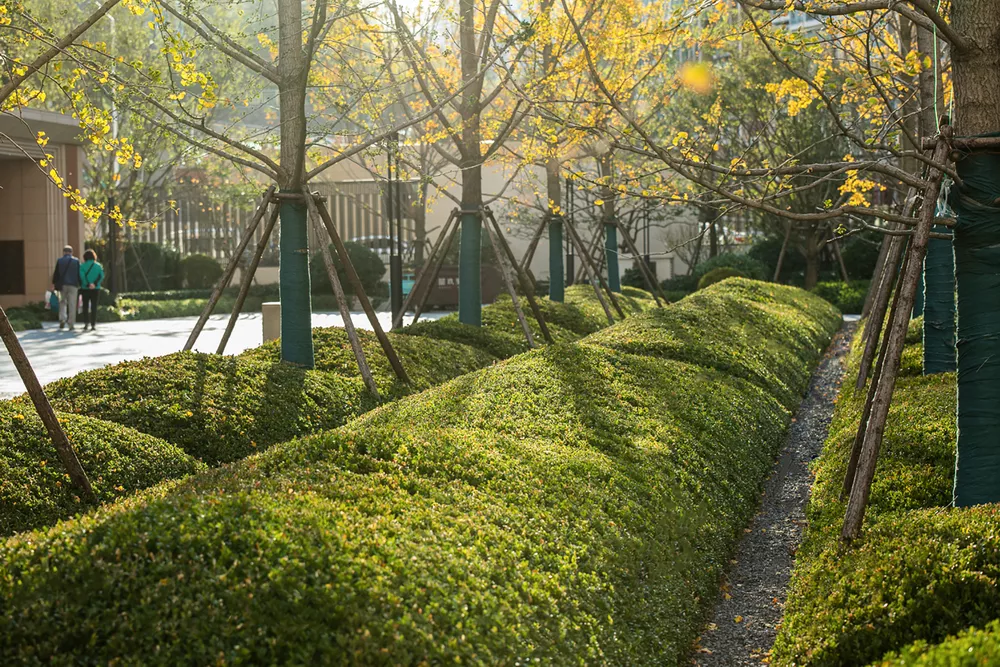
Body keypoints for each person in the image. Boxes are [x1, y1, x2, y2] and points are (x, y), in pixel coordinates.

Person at [51, 245, 80, 331]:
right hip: (73, 285)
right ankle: (71, 323)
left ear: (64, 252)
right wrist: (80, 284)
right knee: (72, 304)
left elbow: (56, 274)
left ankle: (62, 319)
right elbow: (79, 273)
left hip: (62, 285)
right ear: (71, 252)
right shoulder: (76, 261)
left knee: (62, 302)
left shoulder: (60, 261)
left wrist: (53, 284)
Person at [79, 249, 105, 332]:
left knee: (85, 306)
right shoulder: (98, 266)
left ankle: (86, 323)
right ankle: (93, 324)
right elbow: (101, 276)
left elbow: (82, 277)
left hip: (85, 288)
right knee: (94, 306)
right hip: (95, 289)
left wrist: (87, 284)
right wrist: (95, 284)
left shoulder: (82, 266)